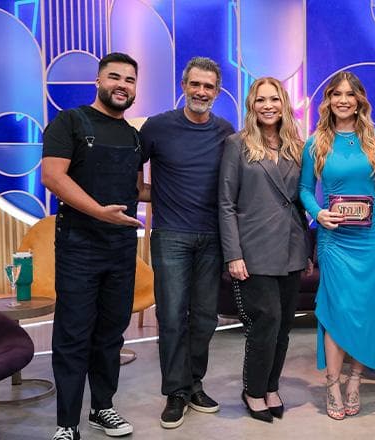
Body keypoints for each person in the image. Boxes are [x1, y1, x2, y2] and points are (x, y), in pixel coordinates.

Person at [42, 52, 148, 440]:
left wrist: (195, 191)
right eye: (114, 77)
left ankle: (103, 408)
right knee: (72, 334)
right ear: (98, 81)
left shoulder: (134, 136)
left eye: (130, 80)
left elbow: (138, 191)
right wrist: (100, 213)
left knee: (110, 333)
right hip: (78, 245)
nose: (122, 85)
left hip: (120, 247)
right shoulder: (69, 122)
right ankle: (66, 424)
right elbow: (53, 177)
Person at [299, 71, 375, 420]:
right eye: (336, 94)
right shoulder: (316, 142)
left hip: (370, 238)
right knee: (335, 311)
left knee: (367, 311)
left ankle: (355, 381)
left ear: (360, 100)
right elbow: (303, 190)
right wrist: (318, 213)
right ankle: (332, 384)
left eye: (350, 94)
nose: (343, 100)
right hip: (334, 238)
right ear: (328, 100)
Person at [139, 57, 235, 429]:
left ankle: (194, 383)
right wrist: (145, 193)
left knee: (206, 318)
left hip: (212, 237)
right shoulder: (157, 127)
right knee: (173, 316)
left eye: (208, 86)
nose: (201, 92)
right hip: (171, 236)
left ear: (216, 91)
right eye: (195, 84)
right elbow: (132, 165)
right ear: (184, 86)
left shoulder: (225, 131)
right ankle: (175, 392)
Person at [218, 77, 312, 423]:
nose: (268, 105)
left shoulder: (296, 146)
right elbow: (225, 204)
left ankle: (272, 387)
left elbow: (301, 201)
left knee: (285, 323)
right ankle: (254, 390)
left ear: (285, 104)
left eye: (274, 98)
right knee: (266, 321)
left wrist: (307, 249)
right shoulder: (236, 144)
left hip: (291, 247)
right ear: (251, 105)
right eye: (261, 99)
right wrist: (233, 254)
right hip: (253, 249)